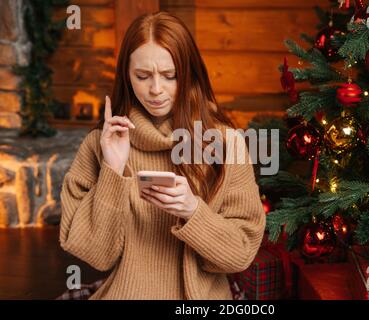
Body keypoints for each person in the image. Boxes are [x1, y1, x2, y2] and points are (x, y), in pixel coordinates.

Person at [59, 12, 266, 300]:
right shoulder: (100, 144)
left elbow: (240, 255)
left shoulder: (226, 143)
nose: (156, 90)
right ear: (126, 76)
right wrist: (112, 170)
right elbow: (95, 256)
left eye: (170, 76)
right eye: (142, 76)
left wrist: (193, 211)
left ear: (190, 74)